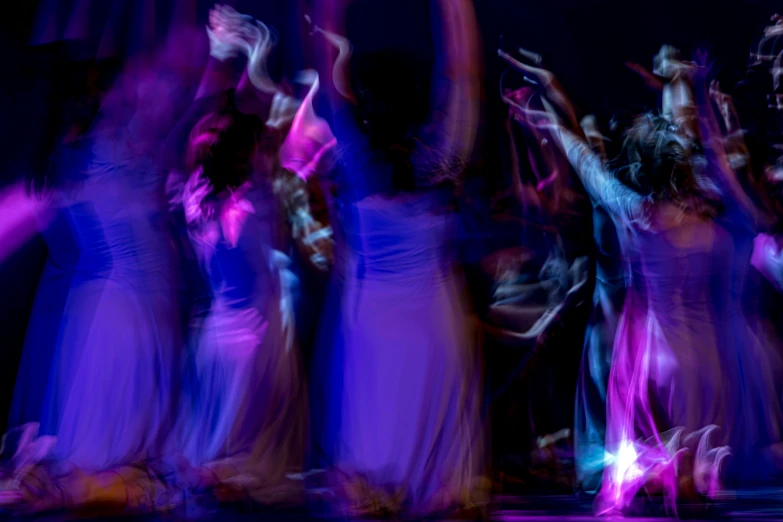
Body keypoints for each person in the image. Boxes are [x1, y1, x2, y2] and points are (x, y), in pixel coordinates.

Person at [507, 56, 783, 515]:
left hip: (654, 353)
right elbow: (714, 157)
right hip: (708, 358)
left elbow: (584, 161)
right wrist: (700, 94)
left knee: (659, 471)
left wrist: (552, 116)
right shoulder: (710, 217)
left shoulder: (635, 213)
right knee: (693, 478)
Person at [307, 0, 488, 517]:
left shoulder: (359, 162)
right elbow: (463, 73)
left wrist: (327, 14)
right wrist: (455, 9)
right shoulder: (442, 158)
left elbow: (326, 75)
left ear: (366, 99)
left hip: (370, 322)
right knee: (436, 482)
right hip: (434, 317)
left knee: (373, 452)